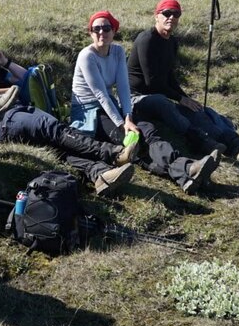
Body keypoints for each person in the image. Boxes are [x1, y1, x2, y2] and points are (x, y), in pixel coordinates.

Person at [0, 28, 140, 197]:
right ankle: (112, 153)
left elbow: (28, 77)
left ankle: (100, 174)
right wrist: (12, 89)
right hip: (0, 120)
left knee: (55, 148)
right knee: (51, 127)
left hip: (20, 113)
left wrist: (6, 62)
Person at [72, 11, 219, 194]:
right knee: (129, 140)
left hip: (111, 104)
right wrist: (122, 123)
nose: (101, 32)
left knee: (146, 129)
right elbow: (100, 94)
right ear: (90, 33)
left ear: (114, 30)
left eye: (106, 27)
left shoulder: (117, 51)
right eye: (96, 29)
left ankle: (186, 171)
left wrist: (128, 116)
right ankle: (184, 172)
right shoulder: (87, 56)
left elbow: (123, 88)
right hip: (89, 110)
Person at [128, 0, 239, 163]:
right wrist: (180, 98)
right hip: (137, 97)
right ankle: (202, 142)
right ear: (156, 16)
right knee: (165, 103)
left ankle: (237, 146)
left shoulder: (172, 42)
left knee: (199, 110)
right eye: (166, 13)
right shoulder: (147, 39)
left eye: (176, 14)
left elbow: (169, 77)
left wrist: (186, 99)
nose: (171, 17)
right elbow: (151, 82)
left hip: (159, 94)